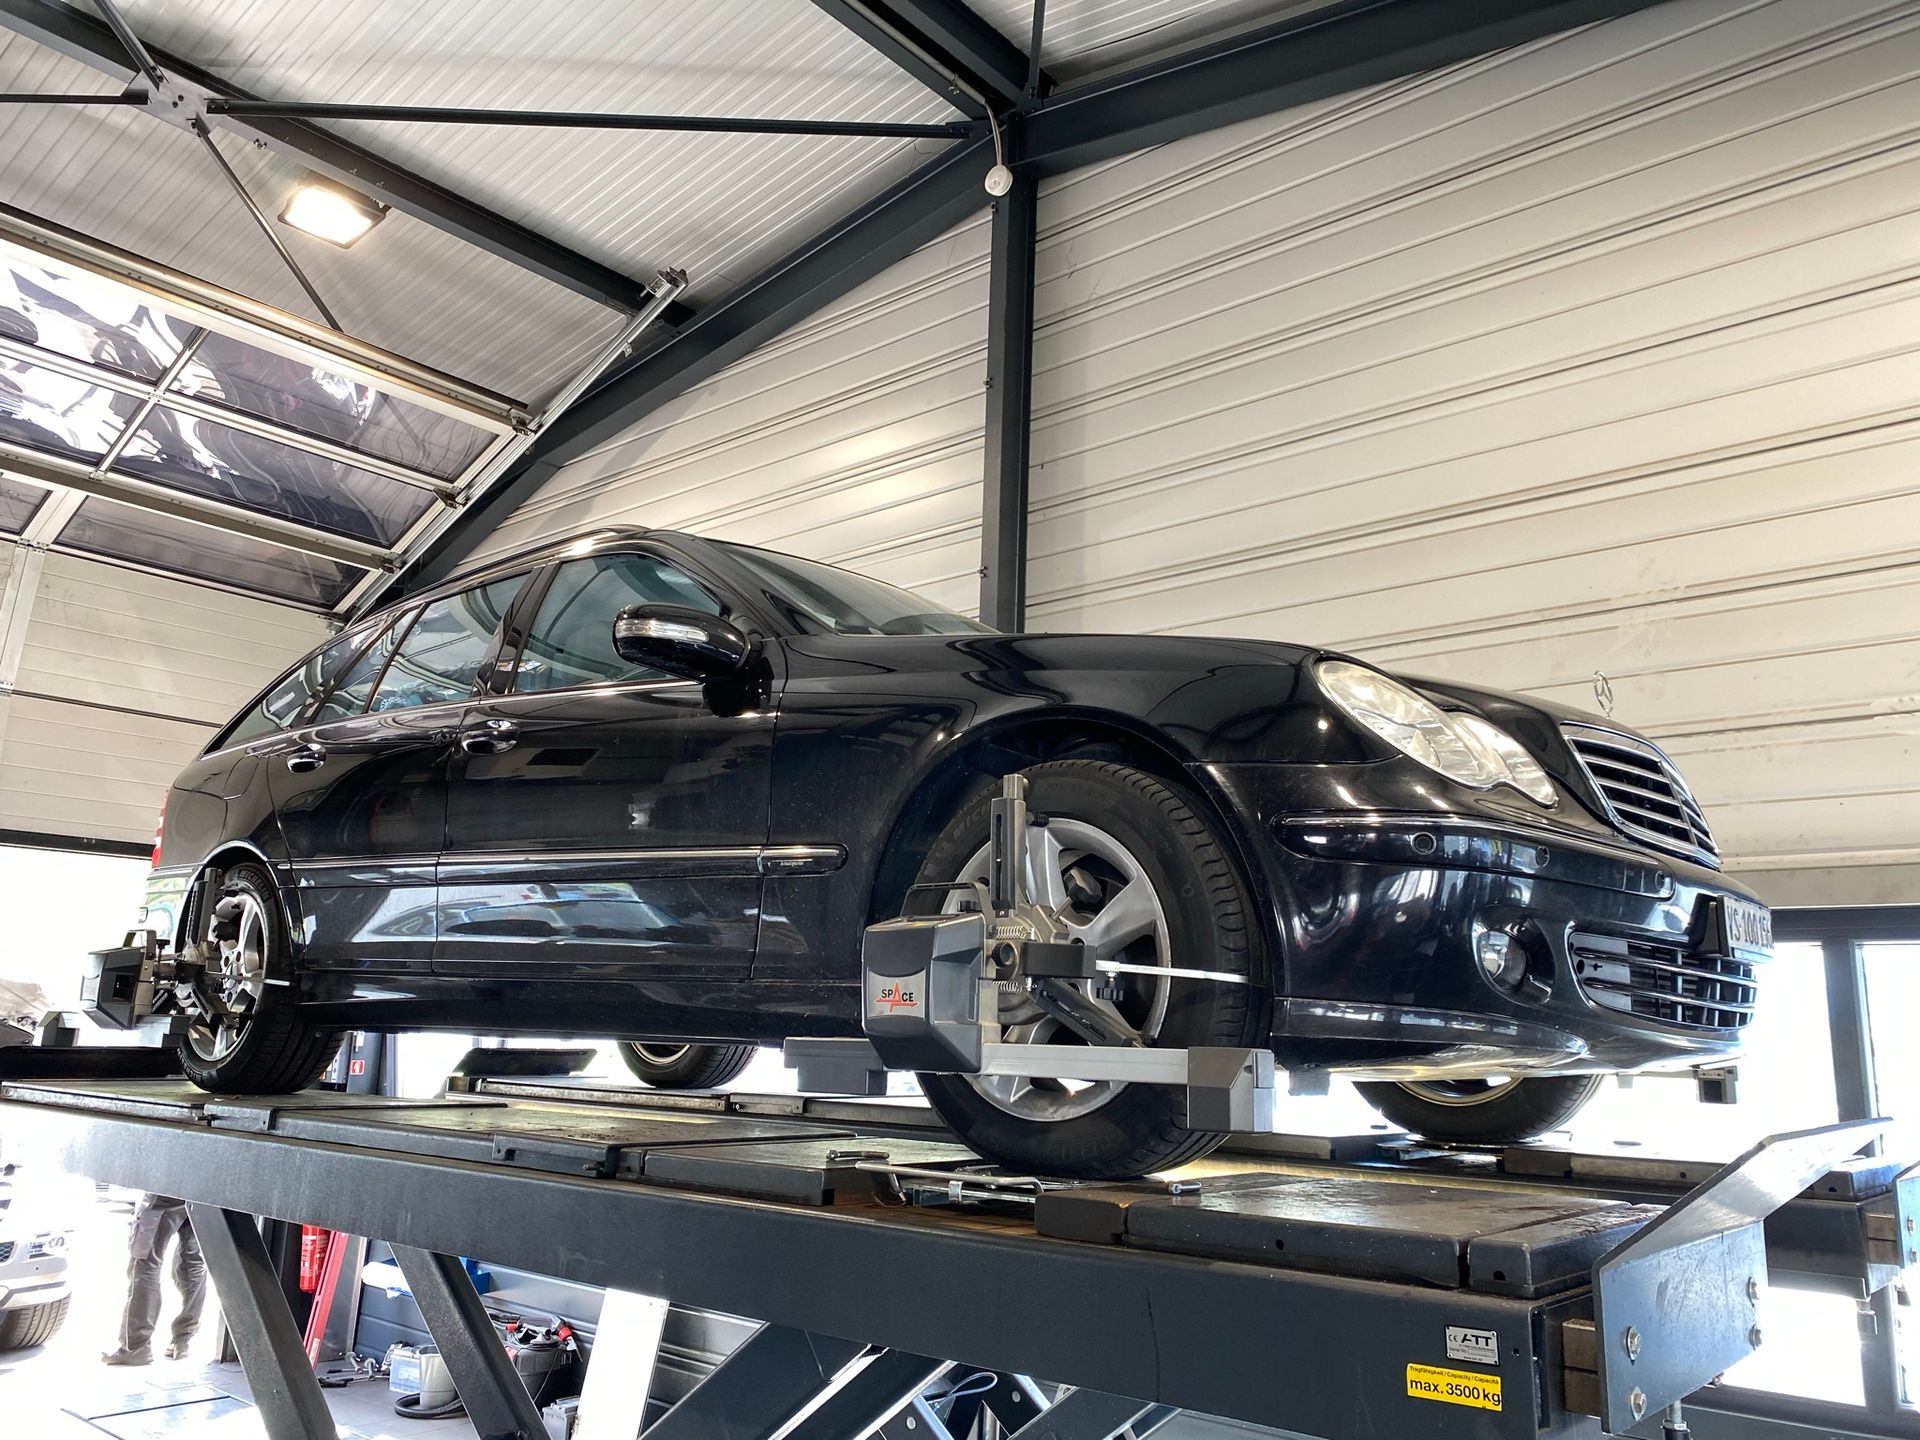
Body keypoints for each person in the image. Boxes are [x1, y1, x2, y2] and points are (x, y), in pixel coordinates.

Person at [102, 1194, 205, 1366]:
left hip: (167, 1187)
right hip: (204, 1187)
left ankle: (136, 1346)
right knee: (193, 1262)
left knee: (145, 1261)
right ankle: (183, 1341)